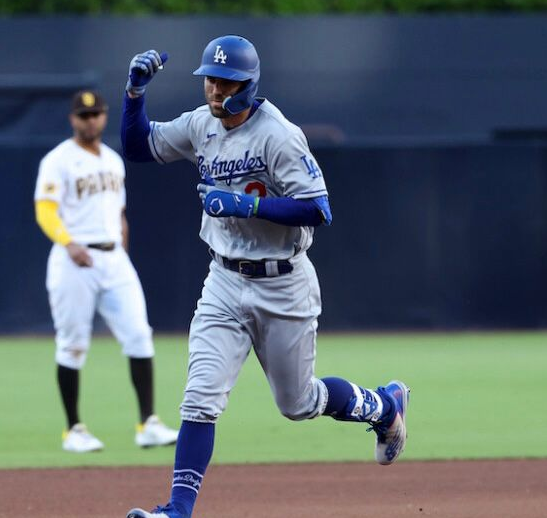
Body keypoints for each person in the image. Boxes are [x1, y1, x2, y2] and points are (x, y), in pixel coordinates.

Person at [119, 37, 410, 517]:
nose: (214, 89)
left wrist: (246, 204)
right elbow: (138, 147)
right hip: (224, 280)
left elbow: (319, 209)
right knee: (199, 398)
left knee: (298, 403)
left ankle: (384, 405)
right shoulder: (200, 124)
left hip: (283, 284)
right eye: (210, 79)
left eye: (226, 82)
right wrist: (134, 96)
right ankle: (178, 510)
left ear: (248, 85)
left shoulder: (278, 134)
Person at [33, 90, 178, 453]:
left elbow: (119, 214)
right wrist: (69, 243)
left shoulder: (114, 160)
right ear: (72, 119)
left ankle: (148, 423)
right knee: (73, 344)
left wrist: (122, 250)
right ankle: (74, 429)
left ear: (104, 116)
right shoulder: (58, 161)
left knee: (140, 336)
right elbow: (45, 210)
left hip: (114, 258)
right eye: (84, 115)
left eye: (96, 114)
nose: (91, 120)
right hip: (73, 260)